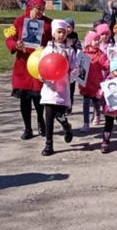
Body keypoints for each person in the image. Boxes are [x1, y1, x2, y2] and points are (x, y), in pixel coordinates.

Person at [5, 0, 52, 140]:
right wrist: (15, 45)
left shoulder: (48, 24)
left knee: (38, 98)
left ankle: (41, 121)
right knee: (24, 99)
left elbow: (54, 40)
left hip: (39, 65)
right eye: (39, 9)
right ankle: (27, 128)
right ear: (31, 7)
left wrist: (47, 47)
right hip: (23, 65)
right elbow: (9, 38)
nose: (41, 12)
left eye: (43, 9)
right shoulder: (19, 21)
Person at [39, 20, 78, 156]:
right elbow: (41, 66)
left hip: (62, 89)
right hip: (49, 88)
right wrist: (42, 76)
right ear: (53, 33)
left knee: (59, 115)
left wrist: (68, 77)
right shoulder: (47, 50)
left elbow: (74, 68)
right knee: (48, 116)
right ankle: (49, 144)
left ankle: (66, 126)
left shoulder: (69, 51)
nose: (61, 35)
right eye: (59, 32)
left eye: (64, 32)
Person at [78, 31, 110, 132]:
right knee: (86, 102)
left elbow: (104, 66)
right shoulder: (83, 53)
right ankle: (86, 123)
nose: (97, 42)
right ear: (89, 41)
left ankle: (97, 114)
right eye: (94, 40)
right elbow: (79, 66)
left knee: (96, 101)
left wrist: (108, 62)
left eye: (98, 40)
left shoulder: (100, 54)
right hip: (85, 82)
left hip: (96, 82)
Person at [64, 18, 82, 115]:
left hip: (72, 65)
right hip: (62, 64)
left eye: (69, 27)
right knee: (63, 88)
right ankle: (62, 106)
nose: (67, 29)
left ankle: (69, 108)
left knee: (71, 88)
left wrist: (79, 51)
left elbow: (79, 46)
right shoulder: (61, 35)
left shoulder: (74, 36)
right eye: (66, 26)